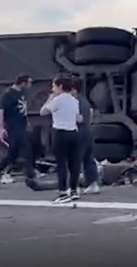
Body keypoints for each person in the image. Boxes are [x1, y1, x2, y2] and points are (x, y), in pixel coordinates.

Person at [0, 75, 38, 190]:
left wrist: (27, 122)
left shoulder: (22, 93)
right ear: (23, 83)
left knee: (12, 155)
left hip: (21, 127)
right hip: (13, 128)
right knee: (25, 150)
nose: (30, 85)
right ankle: (31, 175)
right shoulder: (8, 95)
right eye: (29, 83)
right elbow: (1, 111)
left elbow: (22, 111)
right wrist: (1, 128)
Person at [40, 76, 82, 204]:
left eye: (54, 86)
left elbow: (43, 112)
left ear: (60, 87)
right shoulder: (74, 100)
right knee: (74, 163)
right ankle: (74, 190)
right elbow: (78, 118)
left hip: (60, 132)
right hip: (74, 132)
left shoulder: (57, 100)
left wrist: (50, 98)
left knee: (61, 163)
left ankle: (63, 191)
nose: (52, 89)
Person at [71, 77, 100, 194]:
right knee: (88, 158)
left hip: (79, 132)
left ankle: (74, 186)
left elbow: (81, 118)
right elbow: (90, 114)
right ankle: (92, 183)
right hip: (86, 131)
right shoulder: (84, 101)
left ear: (73, 89)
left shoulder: (76, 101)